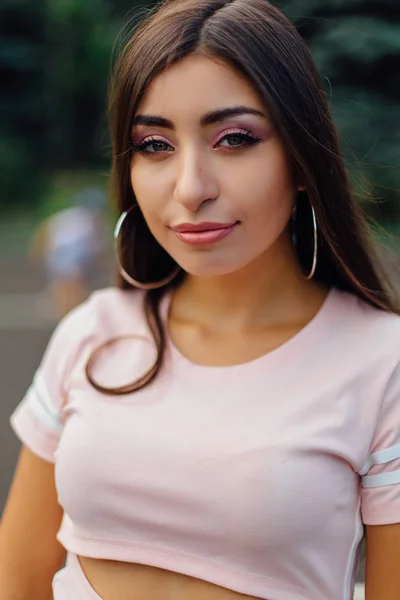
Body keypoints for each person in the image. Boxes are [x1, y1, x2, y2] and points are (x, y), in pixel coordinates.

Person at [1, 1, 399, 599]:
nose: (190, 189)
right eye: (154, 144)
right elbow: (18, 580)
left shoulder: (382, 363)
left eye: (234, 138)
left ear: (300, 157)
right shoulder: (91, 334)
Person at [29, 187, 108, 319]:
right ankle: (69, 315)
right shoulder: (87, 220)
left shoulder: (71, 216)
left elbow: (45, 230)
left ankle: (65, 313)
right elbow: (96, 249)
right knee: (72, 289)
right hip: (65, 255)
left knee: (66, 287)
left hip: (62, 255)